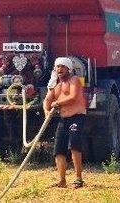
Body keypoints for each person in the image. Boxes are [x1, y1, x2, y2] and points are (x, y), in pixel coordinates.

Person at [43, 57, 87, 189]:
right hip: (64, 119)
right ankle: (62, 181)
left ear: (69, 69)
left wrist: (57, 103)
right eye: (58, 67)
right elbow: (46, 101)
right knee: (58, 150)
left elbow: (73, 97)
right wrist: (46, 111)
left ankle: (78, 179)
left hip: (77, 117)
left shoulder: (74, 80)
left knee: (74, 145)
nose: (60, 69)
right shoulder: (56, 86)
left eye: (63, 67)